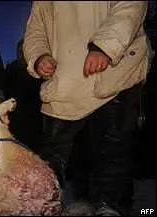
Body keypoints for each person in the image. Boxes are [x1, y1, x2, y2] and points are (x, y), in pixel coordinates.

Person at [23, 1, 152, 215]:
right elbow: (35, 30)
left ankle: (109, 207)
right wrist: (38, 57)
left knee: (112, 151)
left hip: (114, 75)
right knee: (52, 156)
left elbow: (130, 7)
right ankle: (47, 207)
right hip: (64, 81)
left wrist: (104, 46)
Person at [5, 39, 44, 149]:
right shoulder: (12, 70)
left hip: (35, 117)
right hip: (16, 117)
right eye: (21, 50)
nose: (22, 53)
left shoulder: (37, 71)